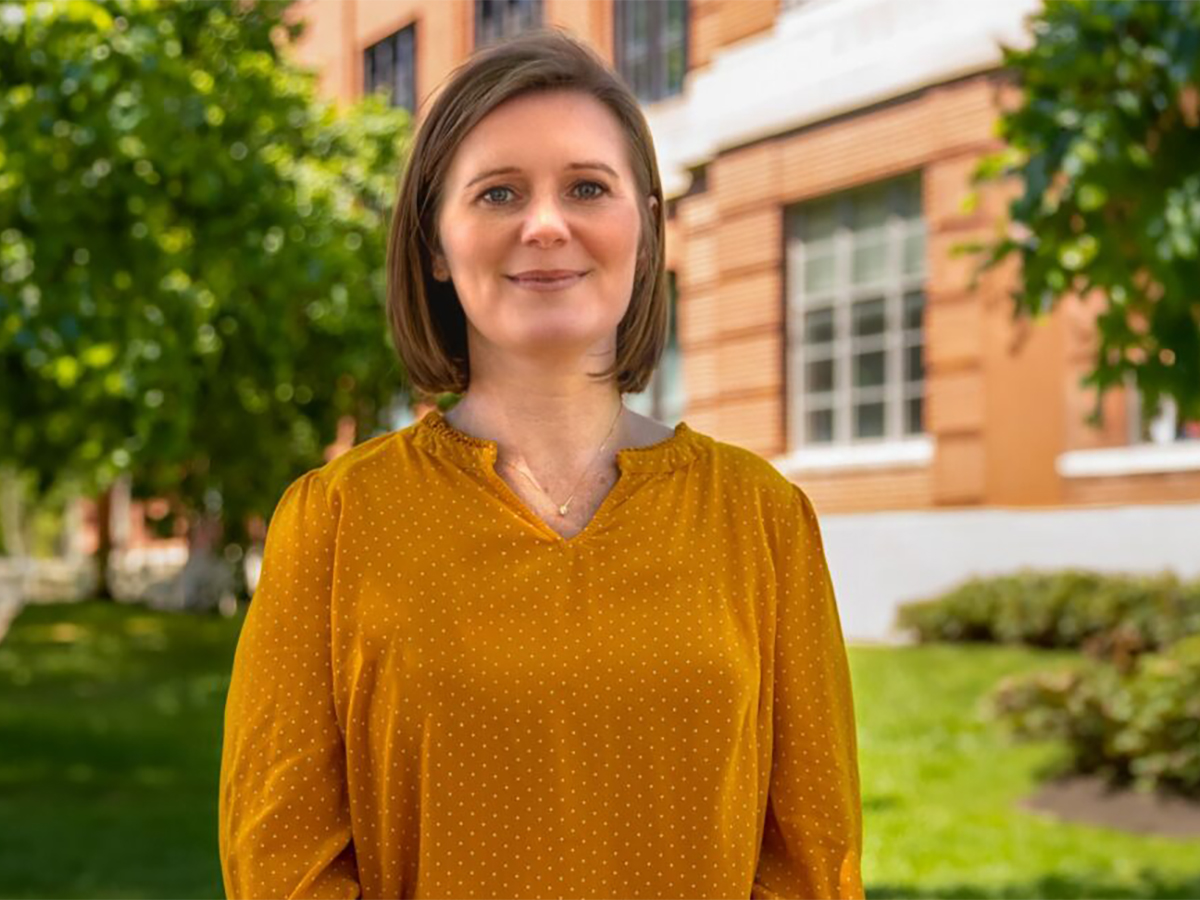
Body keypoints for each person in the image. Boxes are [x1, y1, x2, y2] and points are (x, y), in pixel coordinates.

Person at [218, 27, 863, 900]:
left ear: (645, 228)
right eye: (497, 193)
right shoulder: (334, 523)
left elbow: (811, 862)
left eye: (588, 187)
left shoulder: (761, 518)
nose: (547, 224)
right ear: (436, 248)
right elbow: (282, 867)